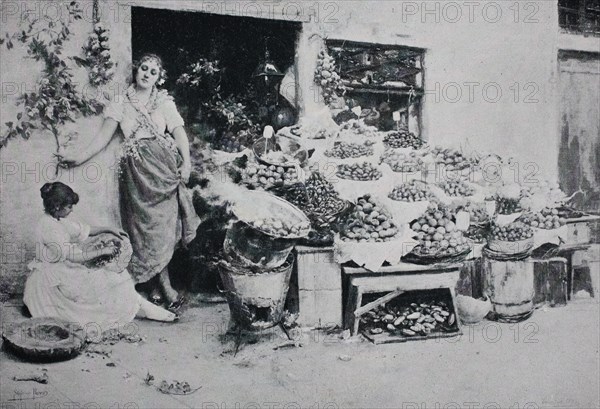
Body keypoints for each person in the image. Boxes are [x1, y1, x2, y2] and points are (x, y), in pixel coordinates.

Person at [57, 54, 200, 309]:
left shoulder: (164, 102)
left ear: (159, 78)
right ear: (137, 70)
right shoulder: (121, 101)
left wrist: (186, 164)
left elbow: (179, 133)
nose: (146, 74)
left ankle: (157, 285)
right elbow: (103, 137)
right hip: (136, 174)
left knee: (164, 228)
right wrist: (77, 158)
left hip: (164, 170)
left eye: (153, 72)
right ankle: (163, 286)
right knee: (144, 229)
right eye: (144, 68)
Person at [24, 182, 178, 330]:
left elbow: (83, 230)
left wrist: (109, 229)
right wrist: (102, 252)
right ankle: (142, 308)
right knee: (107, 279)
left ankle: (142, 306)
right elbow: (72, 257)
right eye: (69, 207)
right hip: (55, 279)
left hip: (64, 268)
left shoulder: (56, 219)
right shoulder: (49, 228)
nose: (71, 210)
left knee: (113, 276)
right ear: (57, 207)